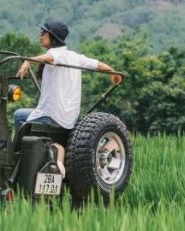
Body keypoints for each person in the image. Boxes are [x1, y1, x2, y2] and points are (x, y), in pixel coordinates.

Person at [13, 20, 117, 174]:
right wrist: (112, 72)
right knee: (22, 114)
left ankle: (19, 157)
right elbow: (97, 64)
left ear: (52, 37)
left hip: (50, 116)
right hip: (69, 119)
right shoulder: (74, 56)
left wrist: (27, 61)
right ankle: (52, 148)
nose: (40, 36)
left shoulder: (56, 54)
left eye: (43, 33)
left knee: (18, 117)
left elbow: (48, 57)